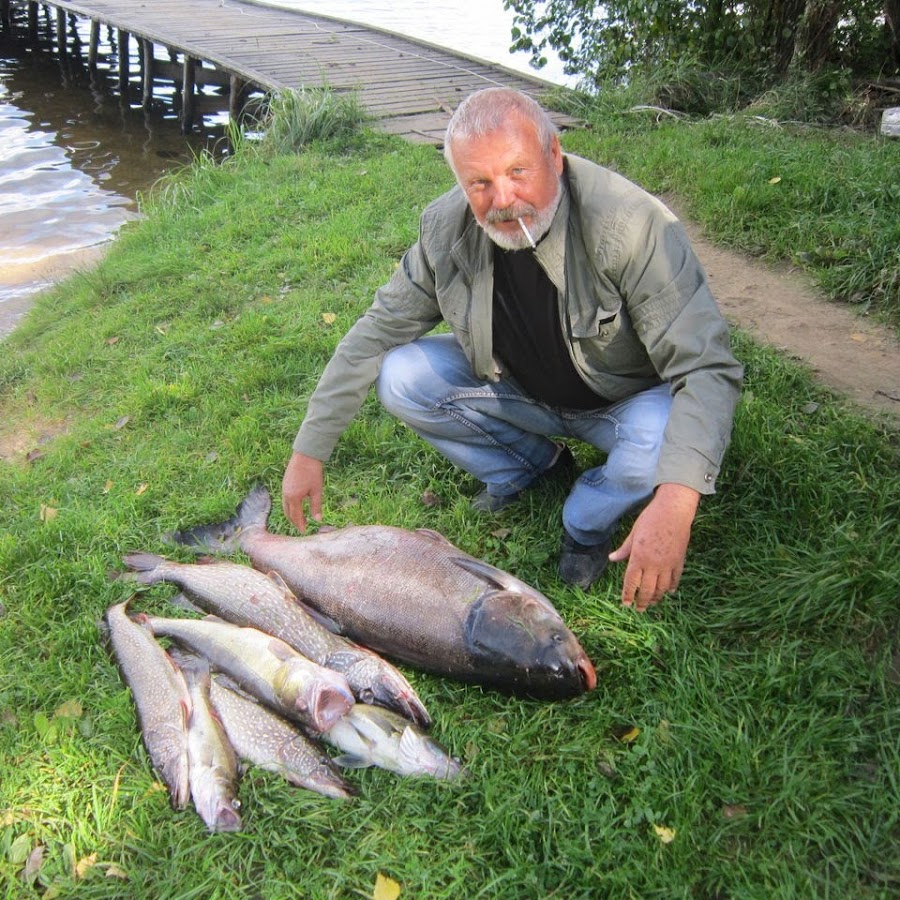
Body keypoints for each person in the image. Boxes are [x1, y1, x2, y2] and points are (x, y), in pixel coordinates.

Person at [282, 87, 742, 612]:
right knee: (401, 375)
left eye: (517, 172)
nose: (502, 200)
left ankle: (585, 522)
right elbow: (375, 333)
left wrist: (677, 502)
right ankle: (528, 467)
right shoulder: (444, 230)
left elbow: (707, 366)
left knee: (661, 442)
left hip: (620, 405)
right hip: (518, 391)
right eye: (479, 182)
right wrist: (309, 450)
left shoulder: (631, 225)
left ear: (554, 155)